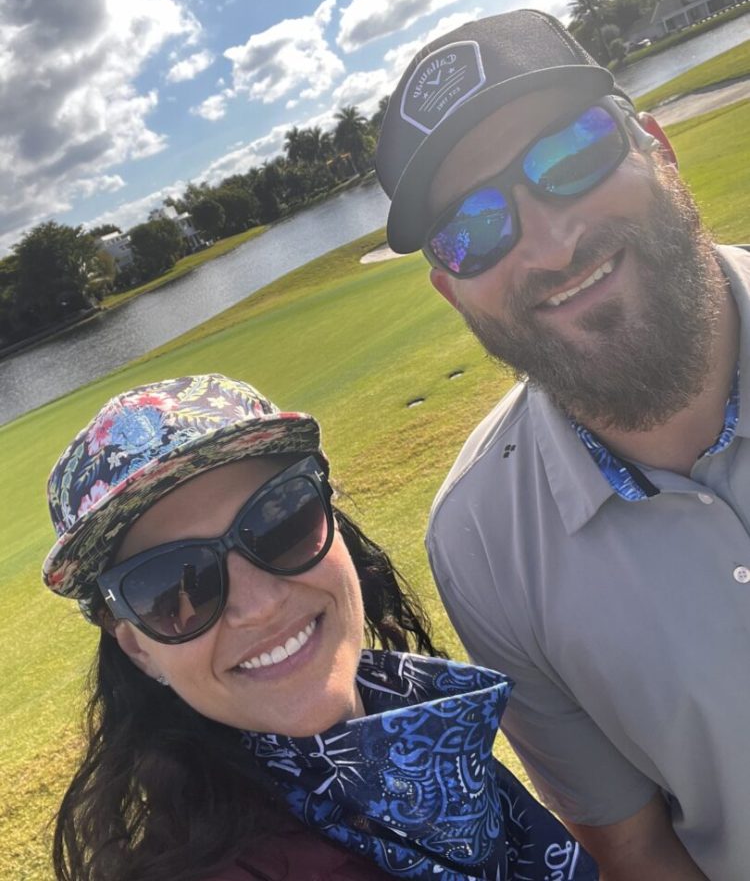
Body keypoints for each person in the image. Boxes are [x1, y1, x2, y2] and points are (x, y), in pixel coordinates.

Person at [375, 8, 747, 880]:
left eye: (569, 153)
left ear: (655, 144)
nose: (548, 242)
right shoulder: (477, 544)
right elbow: (633, 844)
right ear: (450, 291)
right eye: (473, 228)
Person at [43, 373, 598, 881]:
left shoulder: (413, 725)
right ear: (138, 650)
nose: (257, 604)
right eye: (169, 588)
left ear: (331, 521)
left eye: (279, 520)